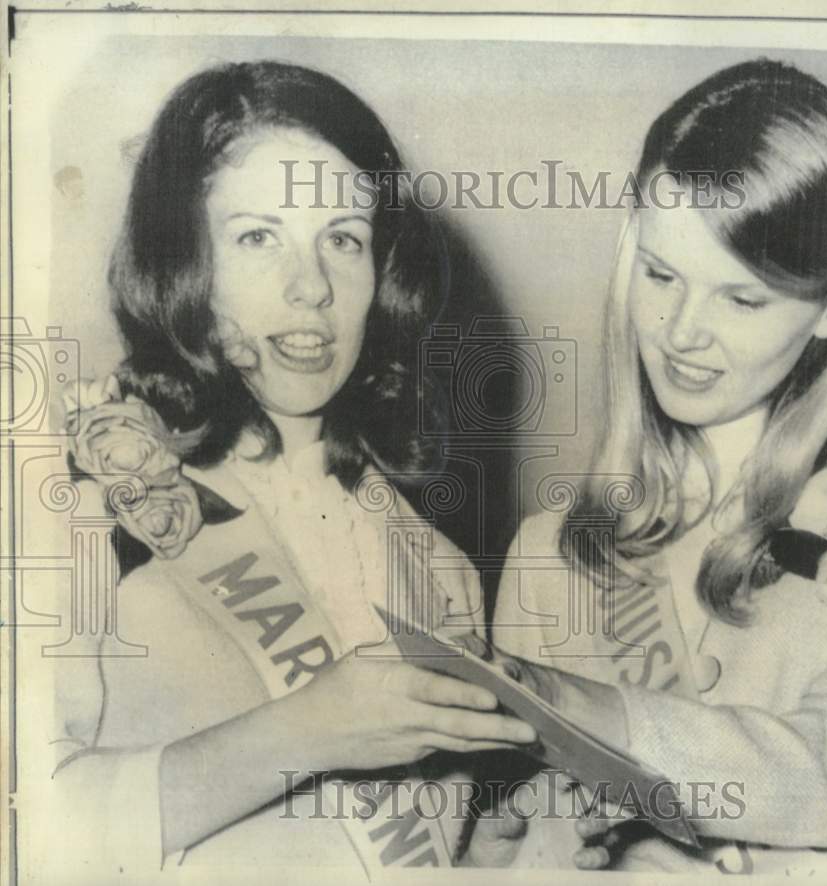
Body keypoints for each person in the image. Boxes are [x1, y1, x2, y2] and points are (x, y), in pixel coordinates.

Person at [489, 58, 827, 876]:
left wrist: (594, 713)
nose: (682, 331)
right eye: (661, 276)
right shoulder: (551, 557)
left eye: (742, 298)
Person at [45, 60, 543, 878]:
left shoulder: (443, 572)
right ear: (185, 265)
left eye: (343, 239)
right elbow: (29, 824)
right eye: (258, 237)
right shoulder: (81, 501)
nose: (311, 287)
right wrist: (305, 732)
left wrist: (500, 855)